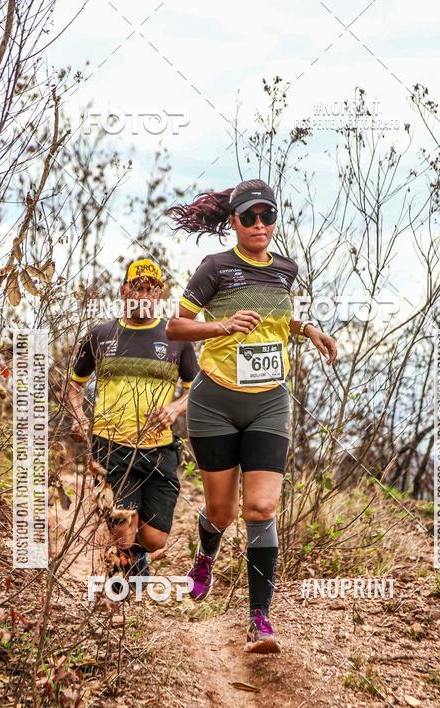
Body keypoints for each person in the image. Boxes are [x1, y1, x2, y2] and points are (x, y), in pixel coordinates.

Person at [166, 180, 337, 653]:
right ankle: (205, 555)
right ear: (234, 222)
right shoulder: (215, 267)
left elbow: (278, 320)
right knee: (221, 512)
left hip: (268, 400)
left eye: (267, 216)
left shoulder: (286, 270)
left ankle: (259, 620)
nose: (259, 225)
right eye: (249, 217)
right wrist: (221, 325)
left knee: (261, 508)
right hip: (214, 402)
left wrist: (308, 329)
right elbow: (175, 326)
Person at [68, 259, 199, 579]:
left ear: (160, 295)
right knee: (124, 529)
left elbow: (197, 389)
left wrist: (175, 409)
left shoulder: (176, 338)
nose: (144, 294)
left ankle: (136, 555)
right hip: (110, 446)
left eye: (151, 289)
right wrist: (79, 416)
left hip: (159, 450)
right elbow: (73, 385)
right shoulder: (100, 335)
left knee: (154, 539)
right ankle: (125, 591)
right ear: (124, 290)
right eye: (137, 287)